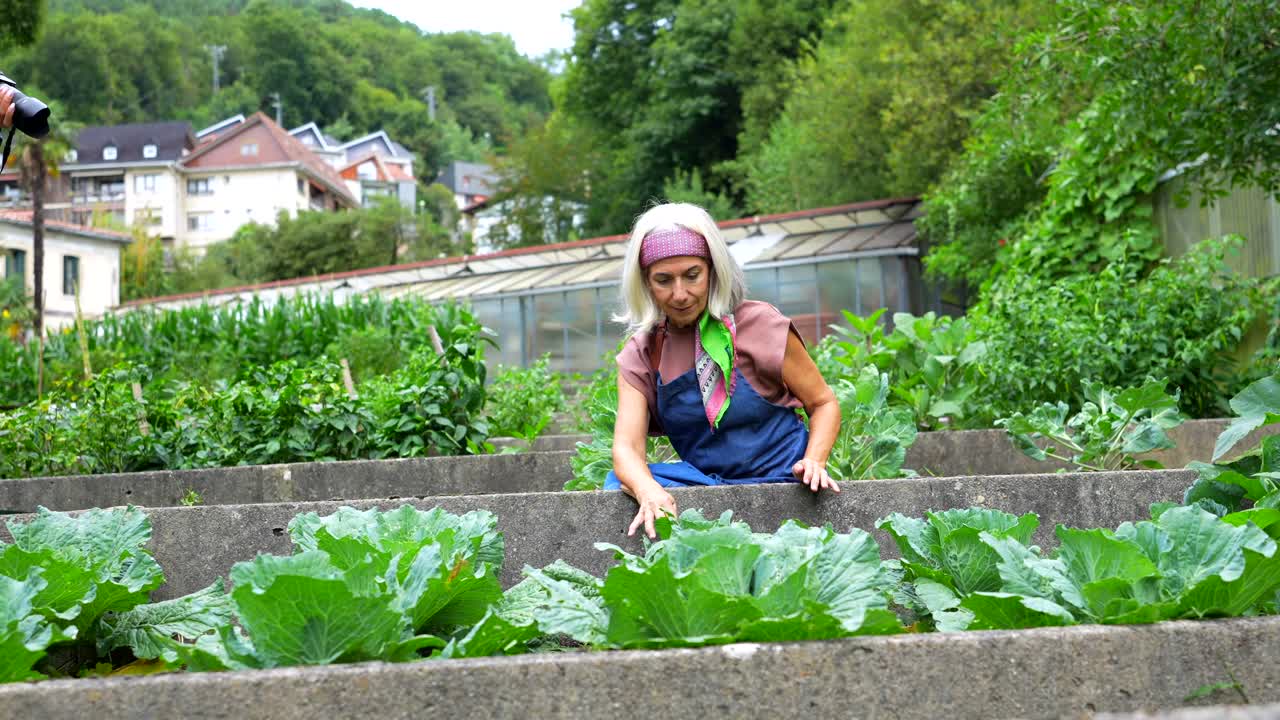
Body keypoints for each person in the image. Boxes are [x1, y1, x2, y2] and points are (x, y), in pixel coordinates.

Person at [608, 202, 841, 539]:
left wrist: (815, 460)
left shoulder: (761, 326)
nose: (680, 294)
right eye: (663, 280)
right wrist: (648, 490)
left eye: (692, 276)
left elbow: (823, 403)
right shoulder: (644, 353)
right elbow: (626, 449)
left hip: (788, 480)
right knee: (622, 480)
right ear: (645, 282)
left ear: (713, 270)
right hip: (708, 486)